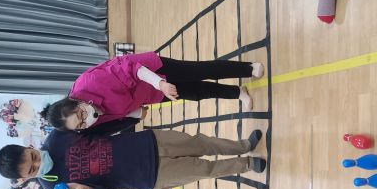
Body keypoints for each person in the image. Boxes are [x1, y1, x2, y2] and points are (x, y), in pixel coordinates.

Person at [0, 128, 266, 189]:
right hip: (148, 176)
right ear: (26, 179)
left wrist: (132, 116)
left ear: (29, 146)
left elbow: (101, 126)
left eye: (33, 156)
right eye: (33, 169)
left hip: (147, 142)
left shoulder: (57, 137)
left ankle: (242, 145)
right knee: (204, 169)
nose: (38, 162)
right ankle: (245, 163)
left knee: (200, 143)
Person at [42, 53, 265, 133]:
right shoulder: (88, 123)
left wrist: (160, 83)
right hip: (150, 94)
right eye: (80, 125)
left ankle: (247, 69)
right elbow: (115, 114)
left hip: (151, 72)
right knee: (196, 92)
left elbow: (131, 68)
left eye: (81, 115)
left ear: (74, 101)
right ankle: (238, 92)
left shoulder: (90, 82)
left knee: (199, 70)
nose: (86, 120)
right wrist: (135, 114)